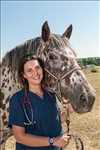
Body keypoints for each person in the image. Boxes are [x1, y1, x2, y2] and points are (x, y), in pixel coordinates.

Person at [8, 54, 71, 150]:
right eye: (29, 70)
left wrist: (69, 111)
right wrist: (53, 141)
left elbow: (55, 120)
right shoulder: (17, 100)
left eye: (37, 68)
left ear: (42, 69)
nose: (35, 73)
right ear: (23, 75)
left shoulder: (51, 94)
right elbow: (19, 137)